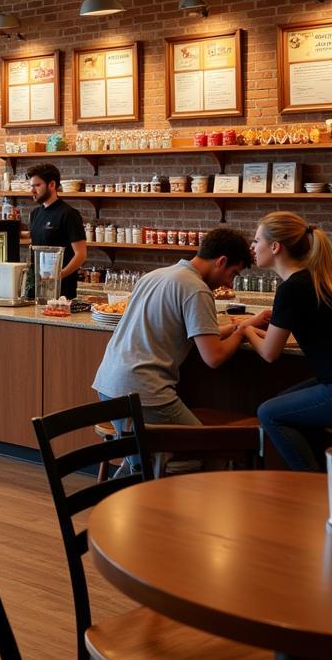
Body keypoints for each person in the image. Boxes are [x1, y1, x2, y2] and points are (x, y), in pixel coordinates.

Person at [93, 228, 267, 430]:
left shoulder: (156, 276)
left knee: (141, 451)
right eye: (233, 274)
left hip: (108, 384)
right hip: (143, 391)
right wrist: (241, 333)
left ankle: (137, 463)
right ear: (221, 261)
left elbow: (202, 335)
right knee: (205, 448)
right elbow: (214, 356)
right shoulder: (197, 289)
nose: (229, 283)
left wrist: (241, 325)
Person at [242, 212, 332, 471]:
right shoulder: (313, 278)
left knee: (268, 412)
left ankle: (310, 482)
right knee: (284, 400)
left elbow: (270, 353)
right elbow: (288, 337)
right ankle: (321, 471)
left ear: (275, 247)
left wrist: (246, 329)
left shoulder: (291, 288)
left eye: (257, 240)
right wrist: (257, 330)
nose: (252, 246)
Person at [25, 163, 87, 300]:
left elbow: (81, 255)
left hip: (62, 293)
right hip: (37, 290)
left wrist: (60, 275)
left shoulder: (69, 214)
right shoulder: (35, 214)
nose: (32, 190)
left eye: (37, 185)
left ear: (52, 185)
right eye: (31, 186)